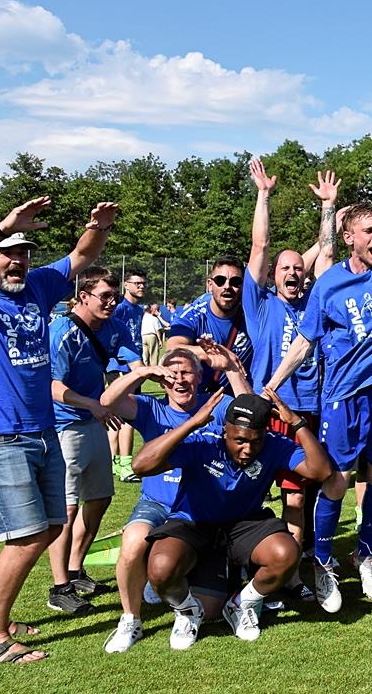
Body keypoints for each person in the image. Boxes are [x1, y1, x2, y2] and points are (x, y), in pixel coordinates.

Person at [265, 108, 372, 604]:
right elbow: (305, 341)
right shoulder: (330, 284)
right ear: (350, 237)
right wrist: (273, 384)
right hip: (343, 394)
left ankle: (365, 556)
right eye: (371, 231)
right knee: (336, 481)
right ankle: (321, 565)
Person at [0, 196, 118, 664]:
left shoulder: (37, 287)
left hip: (43, 430)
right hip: (0, 433)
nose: (18, 261)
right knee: (26, 534)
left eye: (24, 252)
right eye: (7, 252)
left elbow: (82, 257)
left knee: (52, 525)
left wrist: (97, 227)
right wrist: (2, 226)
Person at [134, 389, 331, 648]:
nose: (248, 449)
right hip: (194, 521)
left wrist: (296, 423)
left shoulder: (273, 444)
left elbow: (321, 470)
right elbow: (141, 465)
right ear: (225, 430)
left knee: (286, 553)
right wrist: (192, 422)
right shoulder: (204, 439)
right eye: (239, 440)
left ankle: (242, 603)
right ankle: (187, 611)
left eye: (255, 441)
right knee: (161, 570)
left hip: (243, 524)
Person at [99, 345, 246, 652]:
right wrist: (142, 372)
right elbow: (107, 401)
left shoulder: (215, 403)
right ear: (163, 380)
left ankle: (178, 589)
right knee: (133, 540)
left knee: (211, 610)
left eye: (188, 372)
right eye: (172, 373)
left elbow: (249, 407)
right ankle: (130, 619)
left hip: (199, 508)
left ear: (200, 376)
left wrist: (231, 367)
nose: (180, 380)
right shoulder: (150, 408)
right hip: (158, 503)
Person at [244, 157, 338, 599]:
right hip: (274, 410)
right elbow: (260, 248)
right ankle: (291, 574)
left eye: (297, 268)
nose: (292, 273)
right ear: (274, 277)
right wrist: (263, 195)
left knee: (313, 492)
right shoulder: (260, 303)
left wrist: (327, 209)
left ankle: (303, 567)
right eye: (285, 269)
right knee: (291, 496)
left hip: (314, 408)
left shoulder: (314, 301)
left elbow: (327, 249)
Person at [46, 266, 142, 614]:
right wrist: (92, 403)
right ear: (83, 296)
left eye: (114, 296)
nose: (112, 302)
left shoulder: (113, 325)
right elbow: (52, 386)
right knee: (67, 507)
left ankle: (76, 568)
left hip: (93, 421)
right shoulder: (61, 331)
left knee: (99, 498)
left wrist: (157, 375)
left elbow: (133, 361)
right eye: (105, 296)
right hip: (64, 425)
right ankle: (59, 588)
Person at [166, 257, 254, 394]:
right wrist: (213, 354)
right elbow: (173, 347)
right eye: (220, 280)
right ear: (210, 285)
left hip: (239, 399)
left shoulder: (252, 315)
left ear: (243, 286)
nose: (227, 287)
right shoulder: (194, 315)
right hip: (201, 399)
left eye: (235, 282)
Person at [107, 269, 148, 483]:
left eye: (143, 283)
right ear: (126, 285)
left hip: (134, 367)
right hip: (121, 368)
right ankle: (125, 464)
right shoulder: (119, 308)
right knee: (129, 418)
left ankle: (112, 462)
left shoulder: (138, 310)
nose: (141, 286)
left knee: (118, 417)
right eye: (137, 283)